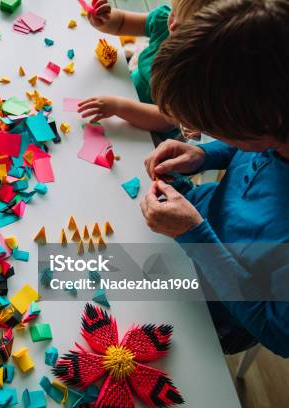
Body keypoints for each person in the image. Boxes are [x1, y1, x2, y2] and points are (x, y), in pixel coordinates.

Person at [140, 0, 289, 357]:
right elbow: (256, 147)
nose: (203, 134)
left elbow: (277, 332)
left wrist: (195, 236)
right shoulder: (275, 97)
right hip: (190, 230)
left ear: (261, 123)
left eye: (210, 130)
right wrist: (207, 154)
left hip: (215, 312)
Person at [78, 0, 213, 138]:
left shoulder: (196, 76)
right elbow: (123, 22)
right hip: (128, 90)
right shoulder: (165, 20)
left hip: (152, 129)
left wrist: (118, 106)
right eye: (174, 12)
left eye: (185, 28)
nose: (171, 22)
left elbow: (165, 120)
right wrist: (105, 19)